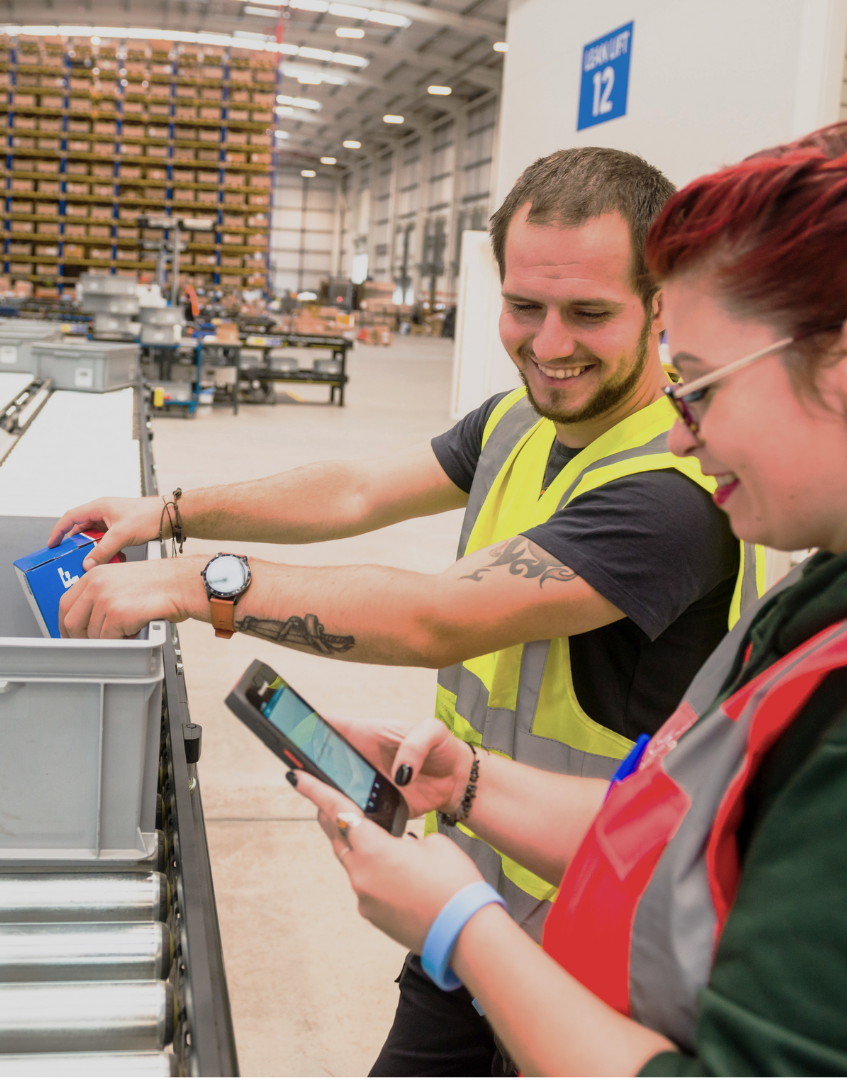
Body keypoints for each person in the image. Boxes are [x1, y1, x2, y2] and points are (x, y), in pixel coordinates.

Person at [51, 148, 760, 1073]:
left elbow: (435, 616)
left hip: (599, 946)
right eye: (524, 307)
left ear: (660, 303)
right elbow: (353, 490)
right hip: (481, 888)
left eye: (589, 313)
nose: (549, 345)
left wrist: (198, 583)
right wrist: (174, 511)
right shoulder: (519, 420)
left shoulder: (672, 491)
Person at [290, 122, 847, 1075]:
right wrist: (466, 784)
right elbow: (685, 828)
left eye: (701, 386)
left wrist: (465, 930)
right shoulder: (813, 596)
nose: (681, 434)